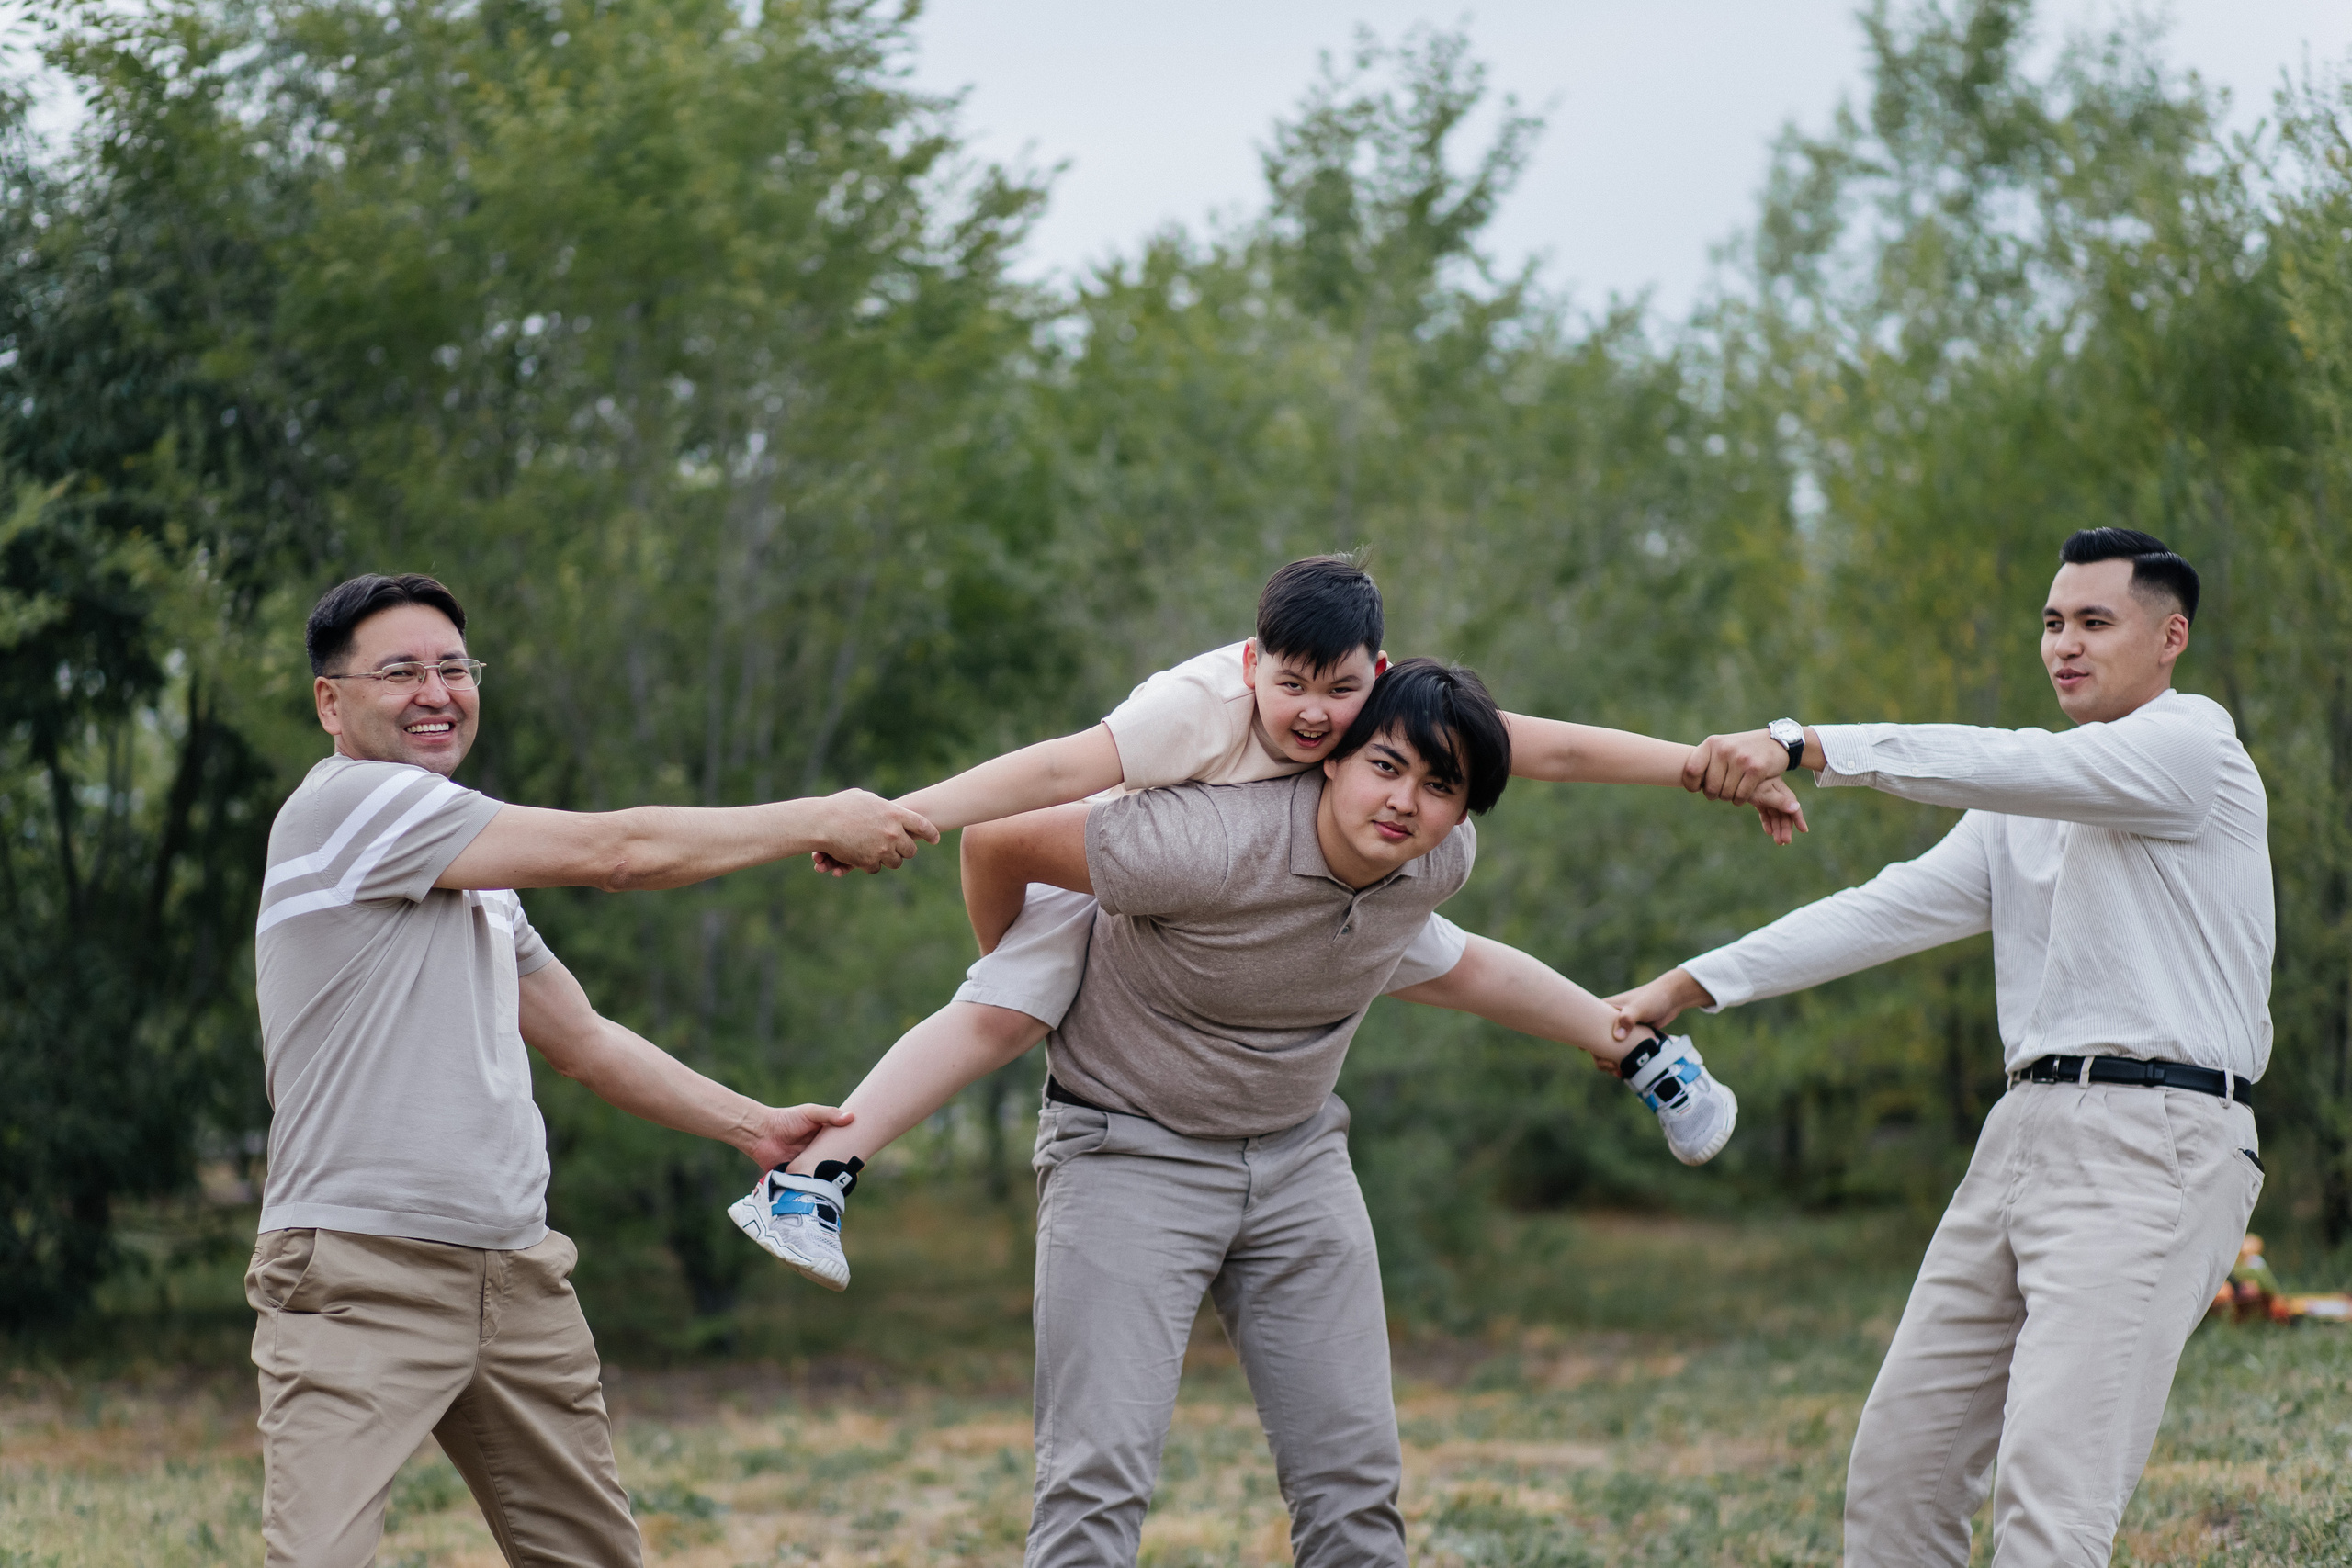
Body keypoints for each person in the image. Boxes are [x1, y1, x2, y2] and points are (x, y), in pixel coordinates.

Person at [730, 554, 1799, 1288]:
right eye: (1287, 686)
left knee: (1449, 956)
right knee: (1006, 1006)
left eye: (1335, 692)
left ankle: (1642, 1051)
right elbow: (1052, 776)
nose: (1309, 715)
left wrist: (1703, 769)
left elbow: (1549, 749)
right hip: (1129, 872)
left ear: (1372, 674)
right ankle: (812, 1177)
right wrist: (913, 824)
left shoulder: (1390, 715)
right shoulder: (1189, 712)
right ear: (1253, 664)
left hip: (1313, 896)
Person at [1609, 528, 2271, 1566]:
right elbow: (1881, 909)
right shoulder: (2022, 813)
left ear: (2169, 637)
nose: (2065, 645)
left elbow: (2008, 760)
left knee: (2050, 1504)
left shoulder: (2195, 749)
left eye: (2095, 623)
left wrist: (1803, 741)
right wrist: (1685, 986)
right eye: (2053, 623)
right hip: (2019, 1138)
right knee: (1898, 1479)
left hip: (2160, 1142)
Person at [248, 573, 935, 1568]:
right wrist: (816, 817)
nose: (436, 692)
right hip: (363, 1270)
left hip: (516, 1273)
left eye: (453, 668)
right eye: (400, 672)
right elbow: (620, 850)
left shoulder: (473, 880)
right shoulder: (353, 806)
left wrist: (749, 1126)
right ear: (331, 702)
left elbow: (583, 1041)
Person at [991, 658, 1678, 1565]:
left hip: (1298, 1162)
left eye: (1441, 787)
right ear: (1333, 758)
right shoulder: (1193, 843)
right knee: (1096, 1482)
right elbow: (997, 841)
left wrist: (1616, 1032)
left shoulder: (1434, 862)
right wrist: (1023, 988)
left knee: (1354, 1489)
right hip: (1125, 1153)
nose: (1405, 802)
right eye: (1386, 767)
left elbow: (1456, 965)